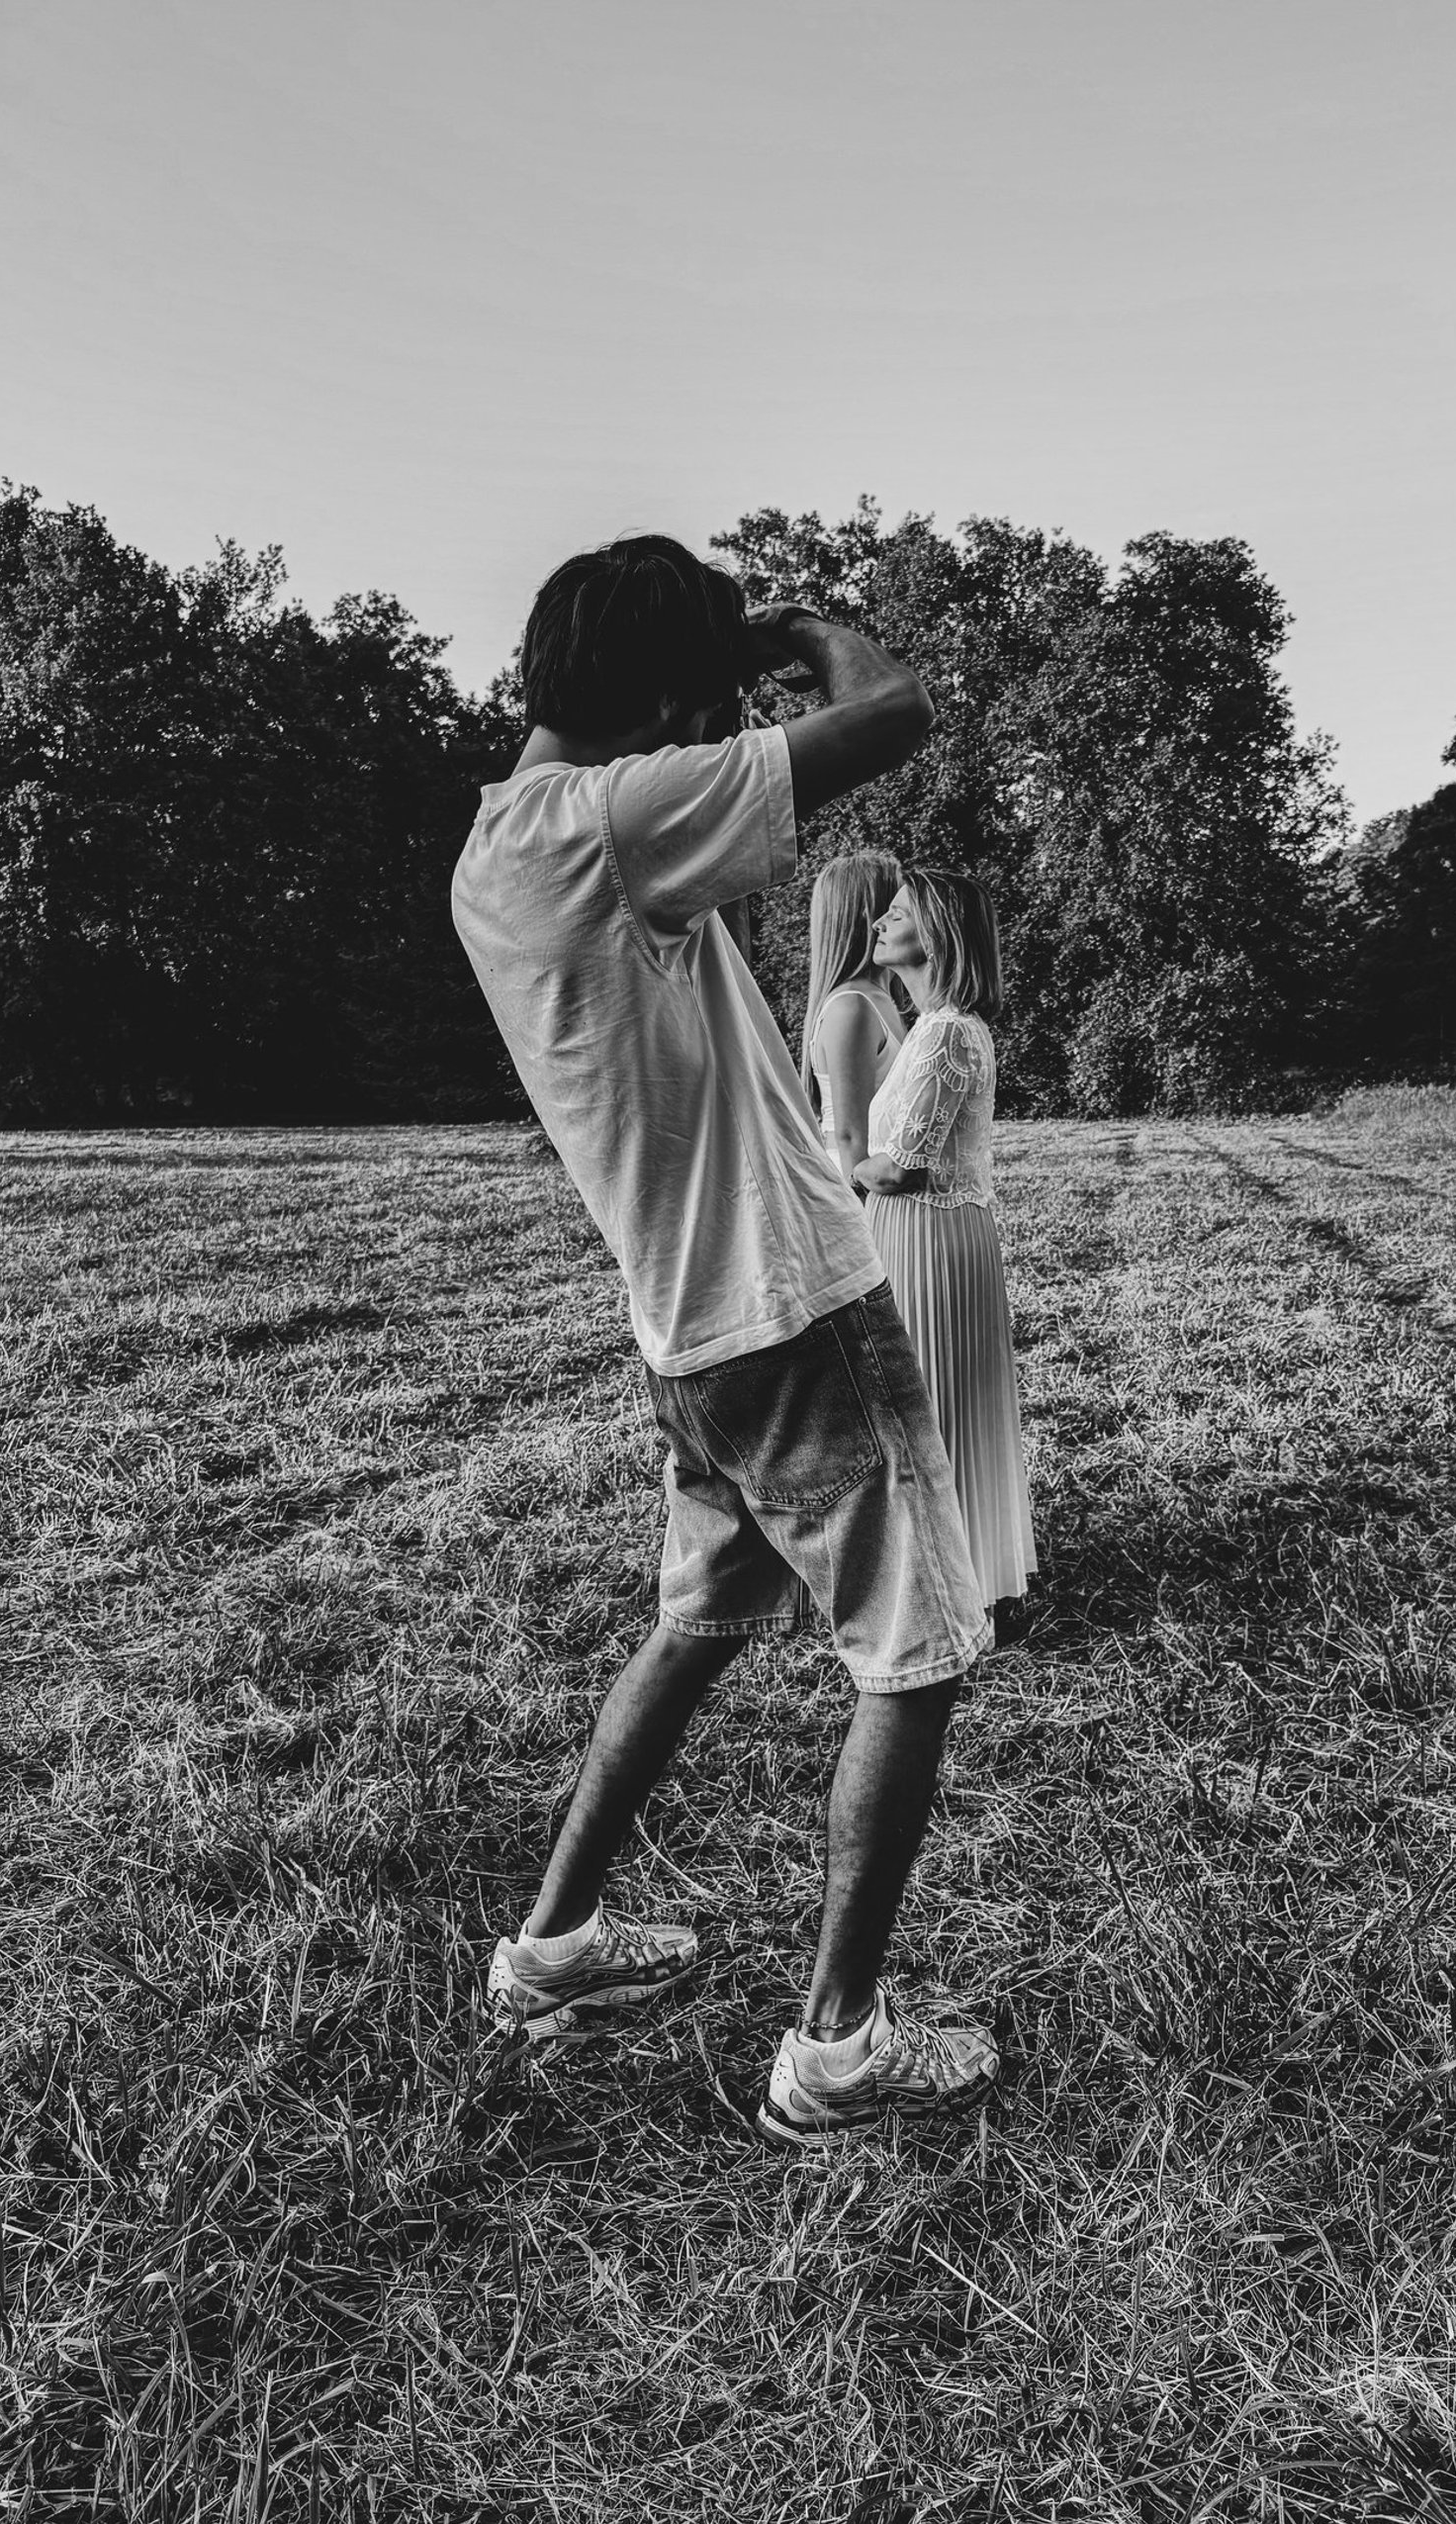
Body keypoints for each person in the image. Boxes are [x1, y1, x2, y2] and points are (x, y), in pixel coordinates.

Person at [450, 535, 999, 2141]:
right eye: (700, 700)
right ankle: (839, 2043)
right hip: (792, 1311)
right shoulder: (606, 817)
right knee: (917, 1655)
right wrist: (791, 630)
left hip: (688, 1335)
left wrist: (699, 657)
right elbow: (891, 713)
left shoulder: (498, 844)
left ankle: (550, 1944)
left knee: (694, 1633)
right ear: (666, 700)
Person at [856, 872, 1038, 1616]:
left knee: (932, 1405)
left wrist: (843, 1171)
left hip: (928, 1236)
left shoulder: (949, 1032)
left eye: (896, 914)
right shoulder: (934, 1029)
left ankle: (948, 1591)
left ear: (935, 934)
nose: (877, 922)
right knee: (927, 1403)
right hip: (926, 1231)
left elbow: (902, 1168)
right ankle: (939, 1580)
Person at [801, 851, 909, 1189]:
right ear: (869, 916)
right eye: (896, 906)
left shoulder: (881, 1000)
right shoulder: (853, 1007)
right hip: (858, 1197)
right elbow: (850, 1138)